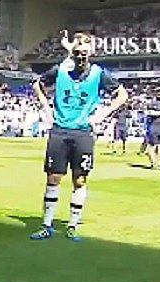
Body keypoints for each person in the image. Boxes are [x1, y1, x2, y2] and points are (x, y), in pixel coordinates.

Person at [30, 31, 128, 242]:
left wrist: (102, 114)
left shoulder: (99, 74)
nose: (81, 56)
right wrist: (46, 107)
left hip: (83, 132)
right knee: (53, 178)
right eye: (77, 52)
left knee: (80, 179)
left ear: (90, 53)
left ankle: (72, 225)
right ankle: (47, 224)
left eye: (84, 52)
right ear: (72, 53)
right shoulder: (60, 71)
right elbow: (37, 84)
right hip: (59, 130)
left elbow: (122, 95)